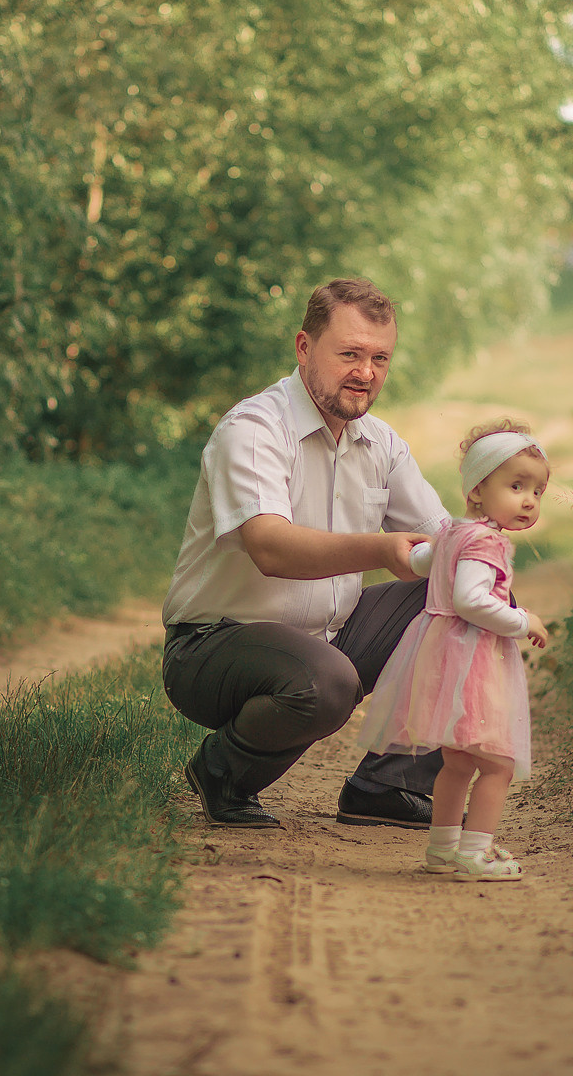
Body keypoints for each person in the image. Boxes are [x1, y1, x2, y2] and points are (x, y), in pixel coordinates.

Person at [161, 277, 452, 829]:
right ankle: (223, 772)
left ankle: (384, 786)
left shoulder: (382, 445)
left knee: (458, 594)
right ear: (304, 347)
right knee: (330, 681)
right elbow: (271, 548)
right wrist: (381, 548)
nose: (366, 373)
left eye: (379, 358)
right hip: (212, 645)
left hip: (328, 636)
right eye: (349, 354)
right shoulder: (253, 429)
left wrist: (481, 549)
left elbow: (438, 537)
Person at [356, 422, 550, 881]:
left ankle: (443, 848)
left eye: (538, 491)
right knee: (498, 763)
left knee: (458, 761)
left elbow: (421, 562)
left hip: (440, 654)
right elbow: (470, 600)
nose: (529, 500)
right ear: (478, 490)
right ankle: (474, 851)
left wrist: (429, 555)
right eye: (516, 486)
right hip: (473, 659)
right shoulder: (486, 541)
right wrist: (524, 622)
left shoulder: (452, 533)